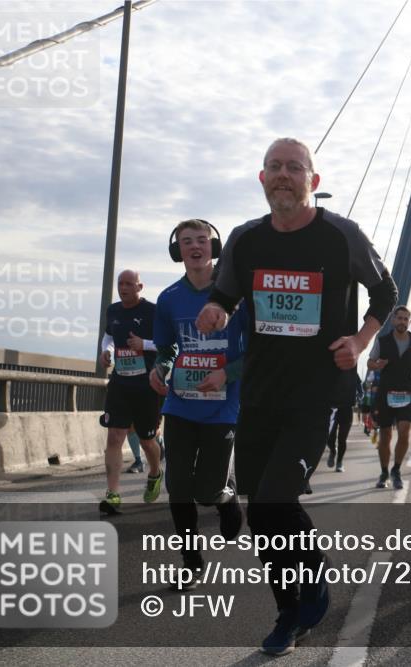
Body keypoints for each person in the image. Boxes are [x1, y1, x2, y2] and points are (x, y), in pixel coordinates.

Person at [196, 137, 397, 655]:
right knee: (259, 512)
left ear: (314, 180)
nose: (283, 174)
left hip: (319, 392)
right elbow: (226, 291)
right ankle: (295, 604)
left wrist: (359, 340)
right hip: (261, 392)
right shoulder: (244, 239)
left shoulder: (342, 236)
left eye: (294, 167)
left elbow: (386, 293)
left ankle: (301, 597)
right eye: (274, 167)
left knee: (272, 502)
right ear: (262, 179)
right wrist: (217, 308)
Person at [150, 219, 246, 588]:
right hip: (179, 404)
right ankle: (191, 563)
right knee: (178, 486)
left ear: (213, 247)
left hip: (223, 407)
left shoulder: (236, 297)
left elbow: (256, 350)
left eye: (201, 240)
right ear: (178, 251)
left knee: (206, 490)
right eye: (186, 241)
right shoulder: (169, 298)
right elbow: (167, 346)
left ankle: (225, 498)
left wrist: (227, 373)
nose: (194, 247)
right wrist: (161, 367)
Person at [98, 270, 165, 514]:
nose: (123, 288)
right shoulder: (113, 311)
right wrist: (107, 351)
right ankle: (113, 494)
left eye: (129, 284)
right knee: (115, 436)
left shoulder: (153, 311)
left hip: (146, 385)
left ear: (140, 286)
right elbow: (108, 337)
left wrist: (144, 344)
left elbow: (169, 343)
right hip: (120, 383)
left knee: (147, 441)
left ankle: (155, 473)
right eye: (120, 283)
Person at [367, 306, 411, 489]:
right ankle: (384, 472)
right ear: (393, 320)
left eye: (405, 319)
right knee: (385, 436)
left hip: (407, 394)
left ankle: (397, 470)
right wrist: (377, 365)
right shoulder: (382, 340)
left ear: (409, 321)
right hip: (385, 394)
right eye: (399, 318)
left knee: (404, 431)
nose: (402, 321)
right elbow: (370, 361)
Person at [326, 371, 359, 472]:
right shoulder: (330, 370)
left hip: (347, 407)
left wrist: (359, 395)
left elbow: (359, 386)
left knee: (342, 438)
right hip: (333, 407)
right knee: (330, 436)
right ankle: (332, 450)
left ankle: (339, 462)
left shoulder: (352, 372)